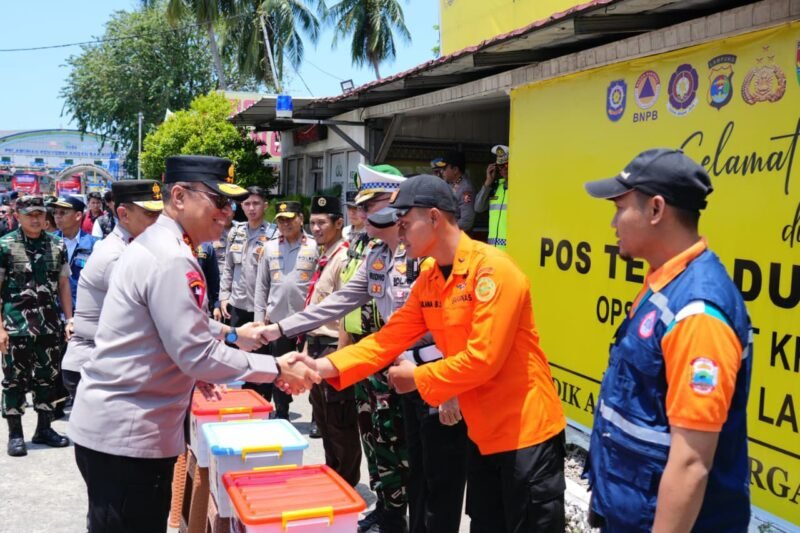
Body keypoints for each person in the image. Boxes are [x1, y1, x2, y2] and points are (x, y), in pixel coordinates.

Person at [298, 174, 568, 533]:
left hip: (527, 433)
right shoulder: (429, 280)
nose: (399, 231)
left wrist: (418, 379)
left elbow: (483, 359)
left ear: (435, 218)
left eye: (406, 223)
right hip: (483, 434)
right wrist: (320, 367)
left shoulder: (493, 271)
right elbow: (387, 340)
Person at [68, 155, 319, 533]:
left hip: (125, 432)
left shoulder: (162, 244)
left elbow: (173, 322)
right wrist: (277, 368)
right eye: (218, 201)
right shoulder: (171, 258)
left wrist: (232, 334)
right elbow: (195, 354)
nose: (227, 213)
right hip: (128, 438)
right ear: (181, 196)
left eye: (231, 203)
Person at [264, 166, 469, 533]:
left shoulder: (431, 260)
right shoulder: (377, 255)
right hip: (397, 370)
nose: (361, 215)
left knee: (438, 479)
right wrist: (279, 330)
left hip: (437, 378)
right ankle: (396, 516)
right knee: (407, 461)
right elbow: (340, 304)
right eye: (360, 207)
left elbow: (458, 332)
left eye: (370, 206)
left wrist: (450, 388)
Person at [582, 148, 753, 532]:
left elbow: (691, 463)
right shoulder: (666, 284)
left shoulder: (698, 312)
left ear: (656, 209)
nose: (613, 223)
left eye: (619, 208)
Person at [61, 180, 163, 400]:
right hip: (92, 364)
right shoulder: (115, 256)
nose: (157, 221)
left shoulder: (133, 248)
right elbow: (158, 313)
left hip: (109, 362)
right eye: (149, 214)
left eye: (159, 214)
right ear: (124, 214)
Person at [0, 195, 74, 457]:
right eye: (30, 214)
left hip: (48, 326)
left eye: (40, 214)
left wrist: (69, 318)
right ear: (18, 216)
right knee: (14, 381)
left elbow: (63, 284)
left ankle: (44, 428)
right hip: (16, 326)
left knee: (48, 379)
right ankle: (16, 434)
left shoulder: (56, 245)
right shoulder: (5, 245)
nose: (36, 218)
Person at [302, 195, 362, 486]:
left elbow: (347, 312)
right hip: (315, 346)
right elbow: (315, 306)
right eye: (312, 222)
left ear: (339, 223)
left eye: (322, 223)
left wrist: (339, 357)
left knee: (340, 422)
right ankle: (332, 474)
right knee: (324, 419)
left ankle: (346, 483)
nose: (315, 228)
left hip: (333, 348)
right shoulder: (323, 255)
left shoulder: (344, 258)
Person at [253, 200, 318, 420]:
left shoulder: (314, 246)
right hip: (278, 321)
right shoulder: (269, 247)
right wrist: (259, 320)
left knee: (312, 366)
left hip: (308, 321)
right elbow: (261, 286)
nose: (285, 224)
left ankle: (317, 416)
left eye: (289, 219)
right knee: (280, 367)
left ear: (301, 218)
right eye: (280, 220)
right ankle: (282, 412)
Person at [219, 186, 276, 328]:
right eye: (247, 204)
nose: (251, 208)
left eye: (256, 203)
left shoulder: (274, 234)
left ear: (265, 206)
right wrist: (224, 297)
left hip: (262, 306)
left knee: (259, 348)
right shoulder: (235, 232)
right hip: (236, 303)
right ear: (242, 206)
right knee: (233, 345)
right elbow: (228, 267)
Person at [53, 195, 99, 306]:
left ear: (78, 215)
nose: (57, 217)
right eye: (55, 212)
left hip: (82, 309)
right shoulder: (48, 242)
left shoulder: (95, 245)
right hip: (54, 310)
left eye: (63, 213)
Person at [475, 144, 509, 249]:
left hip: (511, 250)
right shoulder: (496, 186)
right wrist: (488, 182)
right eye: (500, 166)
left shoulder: (521, 188)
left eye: (506, 165)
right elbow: (478, 208)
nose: (503, 170)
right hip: (493, 250)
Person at [439, 151, 475, 231]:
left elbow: (467, 220)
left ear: (455, 169)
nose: (441, 171)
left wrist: (447, 229)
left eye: (444, 168)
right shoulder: (452, 184)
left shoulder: (465, 189)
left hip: (457, 237)